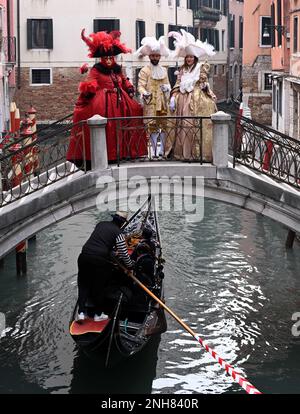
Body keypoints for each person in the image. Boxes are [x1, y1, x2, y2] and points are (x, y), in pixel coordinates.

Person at [66, 30, 147, 169]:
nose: (109, 59)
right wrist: (90, 88)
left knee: (134, 111)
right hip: (105, 103)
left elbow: (123, 80)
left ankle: (126, 152)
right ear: (102, 58)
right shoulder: (96, 70)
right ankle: (107, 156)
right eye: (106, 57)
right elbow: (91, 82)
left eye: (111, 57)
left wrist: (129, 87)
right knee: (108, 126)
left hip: (121, 101)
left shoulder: (117, 69)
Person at [166, 29, 217, 161]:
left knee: (190, 125)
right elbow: (177, 84)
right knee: (182, 127)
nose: (189, 59)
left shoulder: (201, 67)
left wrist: (205, 87)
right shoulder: (182, 69)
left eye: (191, 57)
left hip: (195, 99)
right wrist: (172, 97)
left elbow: (203, 83)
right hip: (182, 100)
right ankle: (183, 153)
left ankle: (194, 153)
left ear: (194, 58)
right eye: (187, 57)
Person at [77, 211, 133, 321]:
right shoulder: (119, 233)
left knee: (83, 285)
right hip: (99, 260)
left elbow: (100, 240)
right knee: (100, 287)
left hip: (84, 256)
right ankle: (98, 315)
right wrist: (130, 266)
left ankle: (81, 313)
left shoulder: (100, 224)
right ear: (122, 223)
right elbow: (123, 253)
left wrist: (110, 251)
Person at [135, 36, 171, 158]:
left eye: (157, 56)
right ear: (149, 56)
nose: (155, 58)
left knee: (164, 126)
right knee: (152, 127)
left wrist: (167, 89)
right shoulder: (145, 70)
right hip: (150, 102)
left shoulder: (164, 71)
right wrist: (144, 93)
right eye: (153, 56)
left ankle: (162, 150)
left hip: (163, 103)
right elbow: (140, 86)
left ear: (160, 56)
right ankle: (154, 150)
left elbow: (168, 84)